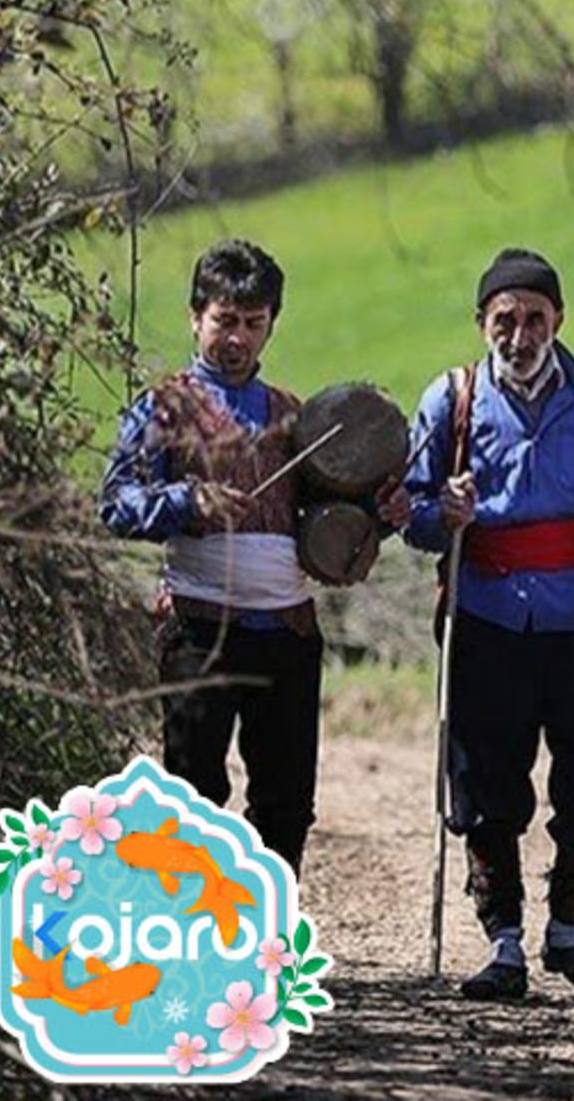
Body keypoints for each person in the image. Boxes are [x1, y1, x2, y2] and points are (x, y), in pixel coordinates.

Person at [100, 238, 409, 874]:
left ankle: (269, 943)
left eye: (252, 323)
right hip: (197, 629)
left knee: (287, 801)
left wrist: (382, 519)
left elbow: (330, 530)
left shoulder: (296, 418)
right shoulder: (162, 410)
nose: (237, 338)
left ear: (270, 323)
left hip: (287, 632)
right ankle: (196, 944)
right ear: (195, 317)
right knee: (192, 797)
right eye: (224, 321)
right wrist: (188, 500)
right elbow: (115, 504)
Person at [404, 247, 574, 1001]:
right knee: (485, 785)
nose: (520, 336)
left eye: (535, 319)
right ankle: (505, 941)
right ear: (482, 323)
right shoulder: (449, 401)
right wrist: (438, 514)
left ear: (559, 321)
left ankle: (567, 928)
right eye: (505, 320)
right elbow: (409, 514)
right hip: (485, 620)